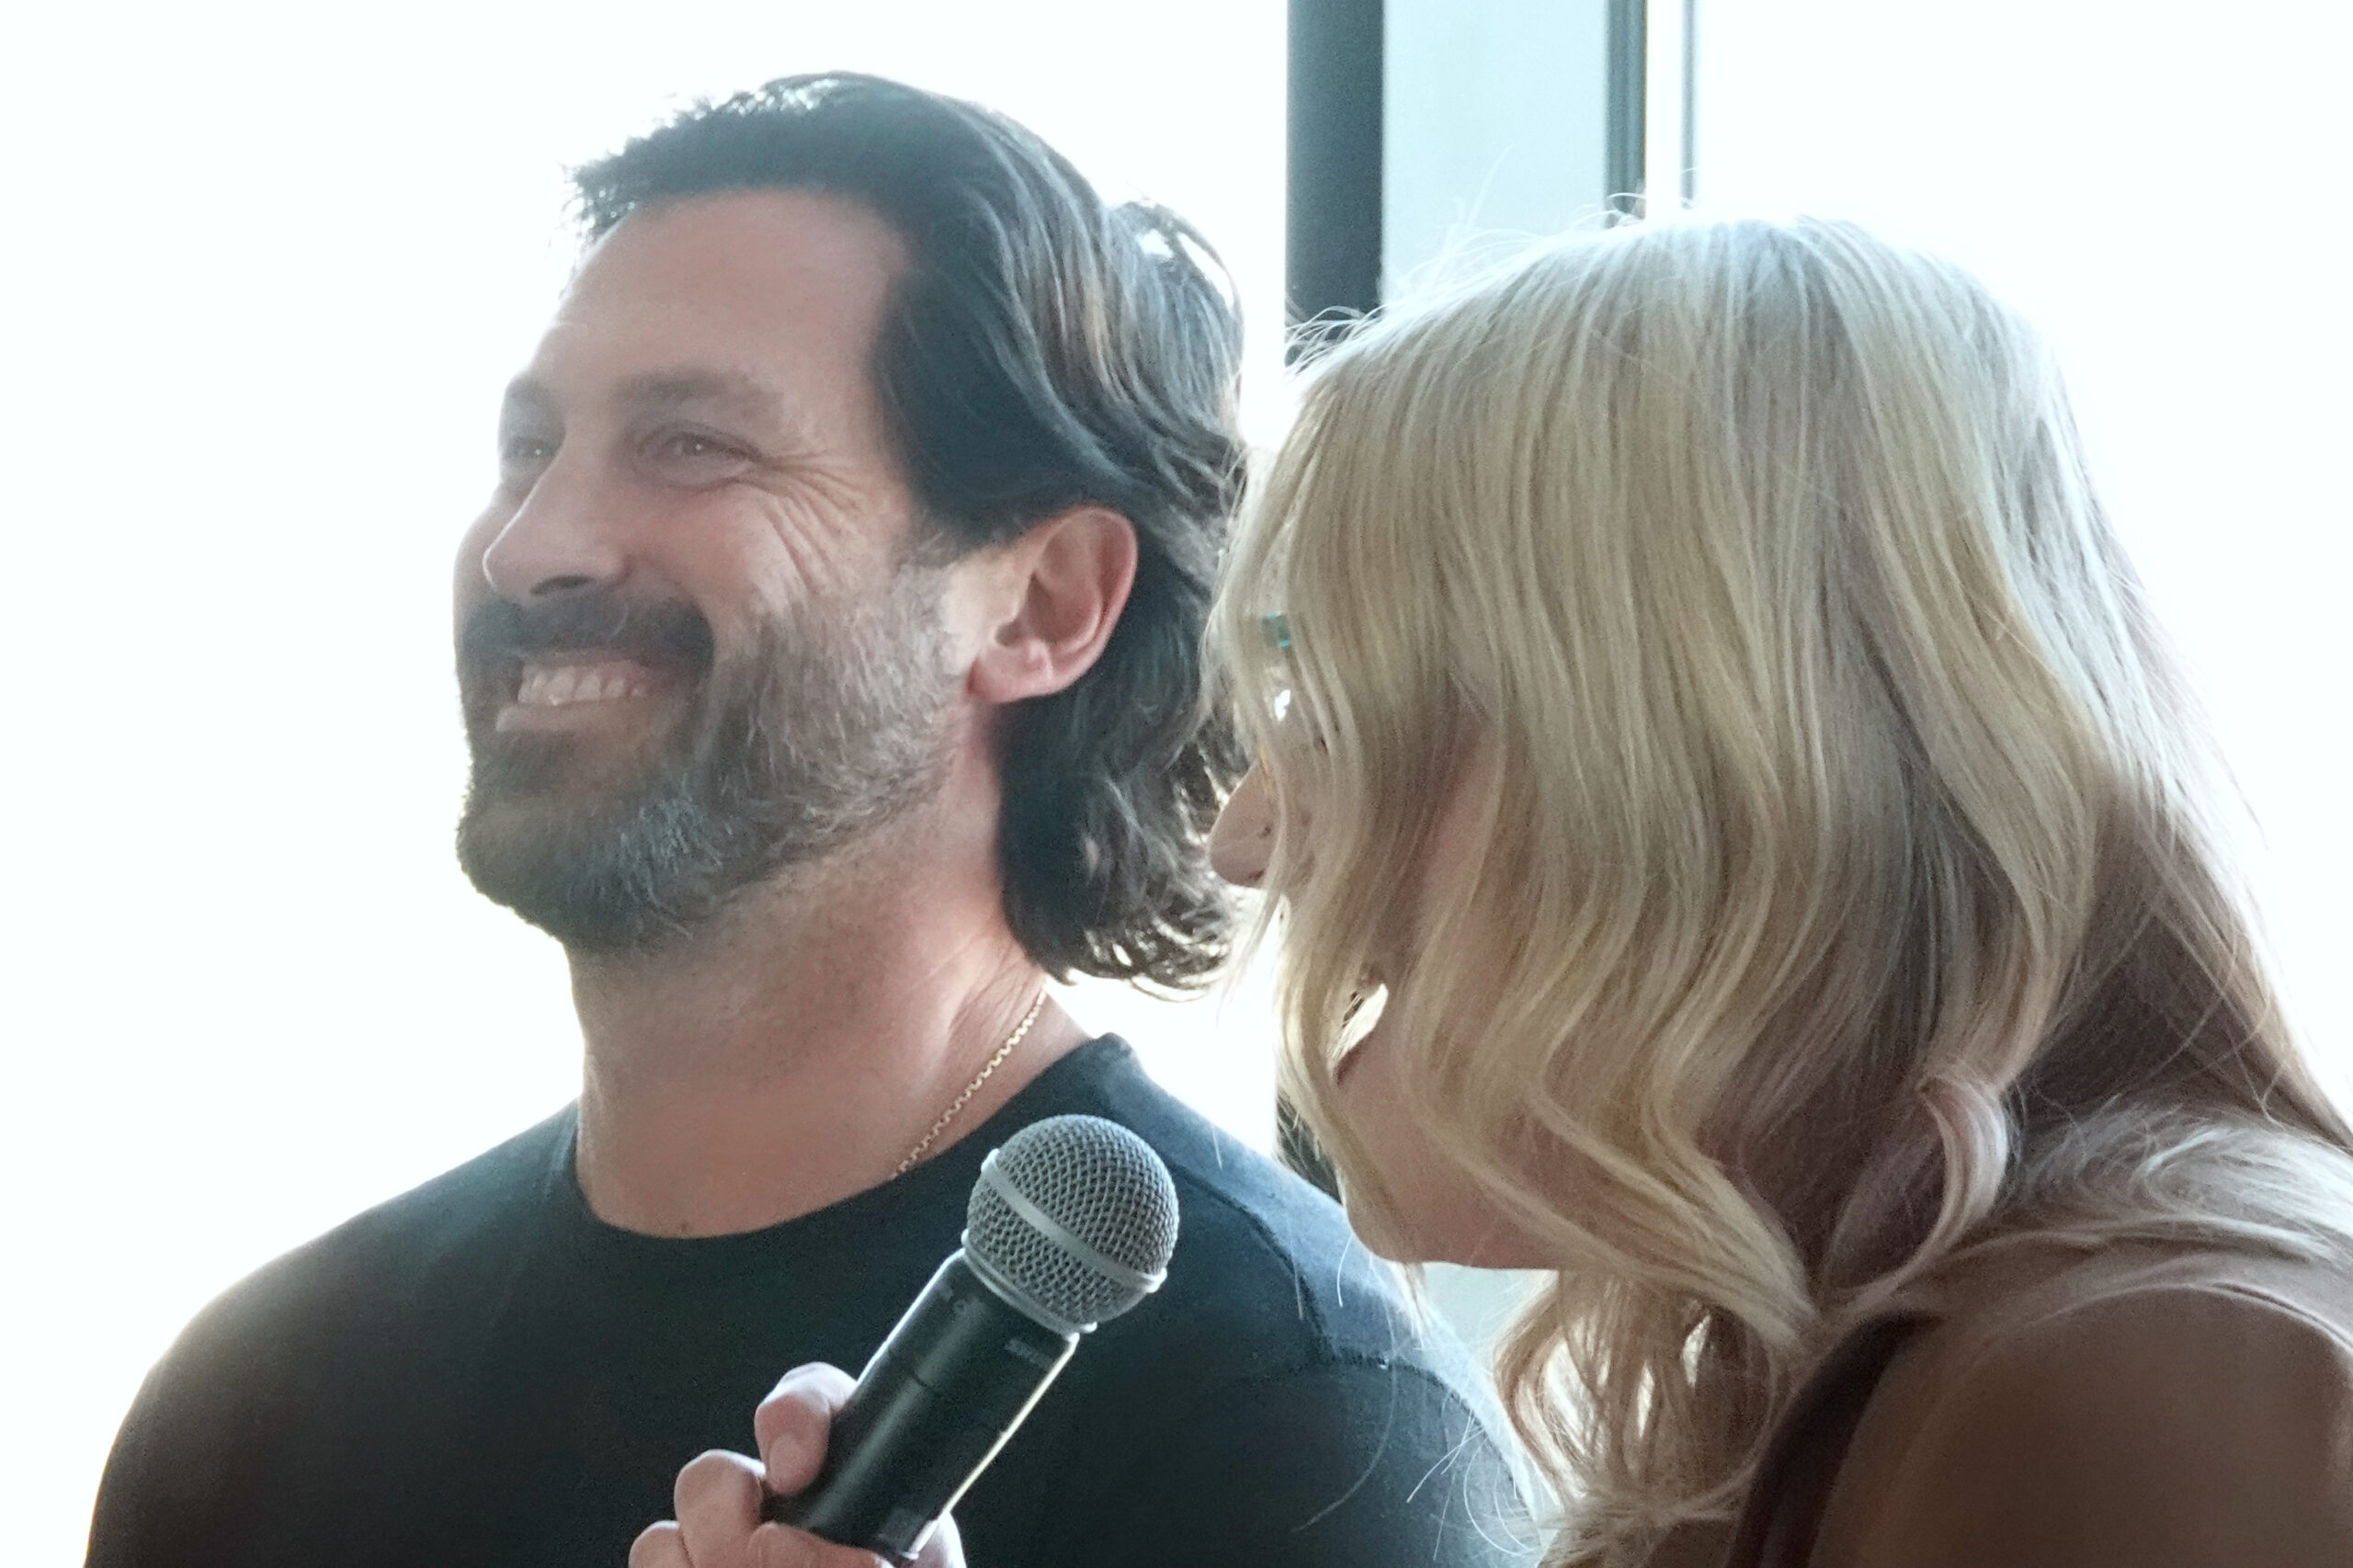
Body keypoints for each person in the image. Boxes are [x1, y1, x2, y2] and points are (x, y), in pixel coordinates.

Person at [85, 75, 1525, 1568]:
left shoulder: (1293, 1425)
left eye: (693, 444)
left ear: (1041, 604)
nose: (532, 544)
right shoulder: (260, 1401)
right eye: (527, 449)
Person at [1195, 217, 2353, 1566]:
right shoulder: (1984, 1347)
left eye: (1355, 715)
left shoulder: (2147, 1395)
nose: (1245, 838)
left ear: (1697, 761)